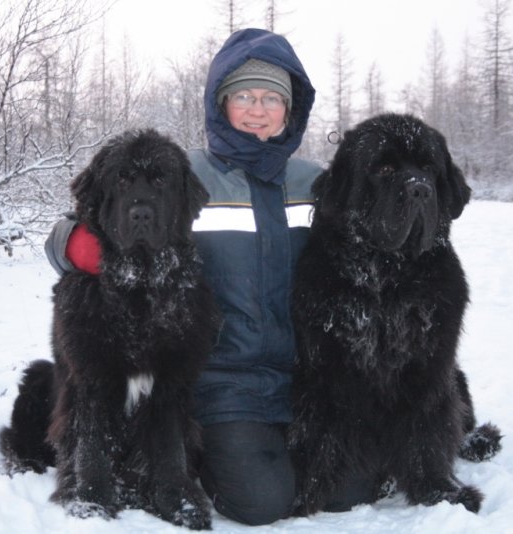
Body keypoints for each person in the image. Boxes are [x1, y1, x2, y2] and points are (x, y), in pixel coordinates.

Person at [45, 28, 372, 526]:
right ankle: (212, 459)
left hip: (304, 378)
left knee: (350, 489)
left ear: (290, 109)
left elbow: (373, 237)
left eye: (271, 98)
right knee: (261, 502)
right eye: (244, 96)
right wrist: (82, 246)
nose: (257, 109)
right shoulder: (188, 173)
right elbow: (92, 216)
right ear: (221, 103)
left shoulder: (315, 183)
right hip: (223, 380)